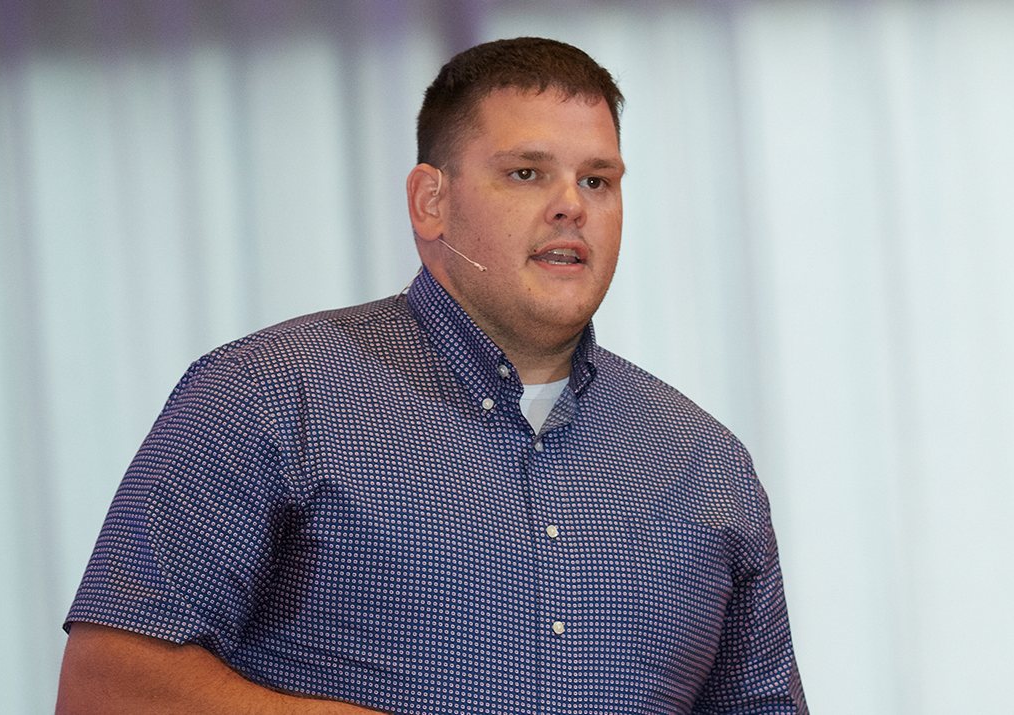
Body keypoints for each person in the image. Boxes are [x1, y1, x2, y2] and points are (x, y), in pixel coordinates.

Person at [56, 37, 807, 715]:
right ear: (431, 202)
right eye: (526, 172)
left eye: (598, 181)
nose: (571, 207)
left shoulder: (709, 465)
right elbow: (104, 688)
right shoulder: (269, 393)